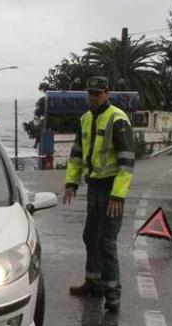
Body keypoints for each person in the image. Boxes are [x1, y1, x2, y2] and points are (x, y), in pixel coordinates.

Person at [63, 76, 136, 311]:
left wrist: (118, 196)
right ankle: (93, 282)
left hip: (111, 187)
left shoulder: (118, 119)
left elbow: (126, 162)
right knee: (90, 236)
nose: (93, 97)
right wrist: (71, 182)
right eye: (90, 93)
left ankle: (112, 293)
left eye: (97, 93)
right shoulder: (85, 119)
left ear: (107, 92)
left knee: (107, 241)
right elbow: (77, 153)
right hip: (94, 186)